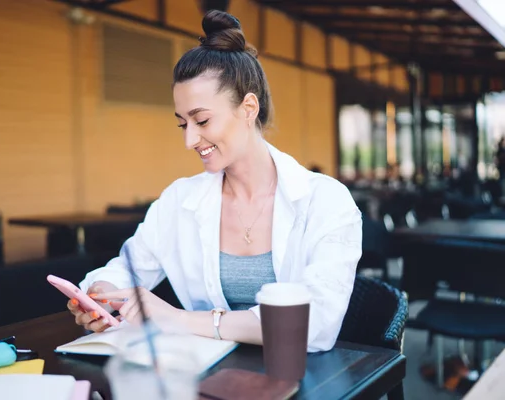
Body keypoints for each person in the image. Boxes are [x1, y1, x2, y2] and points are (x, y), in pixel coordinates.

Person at [67, 10, 362, 352]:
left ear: (249, 108)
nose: (190, 140)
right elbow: (128, 267)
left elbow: (313, 323)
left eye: (202, 120)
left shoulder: (326, 200)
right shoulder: (180, 199)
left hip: (299, 376)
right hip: (206, 377)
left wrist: (178, 319)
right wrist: (99, 298)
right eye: (182, 124)